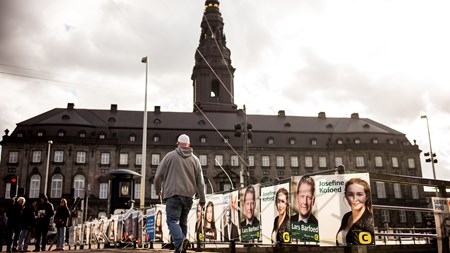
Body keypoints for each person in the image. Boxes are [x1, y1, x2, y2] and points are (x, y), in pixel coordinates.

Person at [154, 134, 206, 253]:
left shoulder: (169, 156)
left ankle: (180, 240)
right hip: (189, 197)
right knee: (182, 222)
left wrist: (158, 189)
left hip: (174, 194)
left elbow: (158, 176)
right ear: (189, 145)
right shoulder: (195, 160)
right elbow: (201, 182)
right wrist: (202, 198)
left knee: (172, 221)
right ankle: (180, 250)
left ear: (177, 144)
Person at [336, 178, 375, 246]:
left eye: (359, 194)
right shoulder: (346, 216)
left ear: (367, 196)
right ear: (346, 196)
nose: (354, 199)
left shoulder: (370, 219)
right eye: (350, 194)